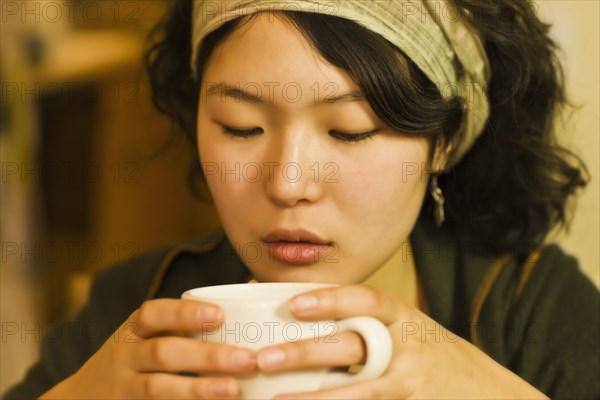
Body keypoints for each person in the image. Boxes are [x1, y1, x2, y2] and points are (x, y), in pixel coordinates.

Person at [5, 0, 599, 399]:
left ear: (442, 141)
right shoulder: (137, 309)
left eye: (350, 131)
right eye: (240, 127)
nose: (288, 185)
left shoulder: (532, 309)